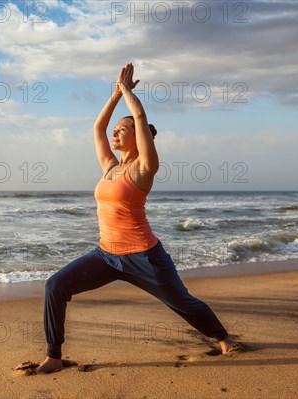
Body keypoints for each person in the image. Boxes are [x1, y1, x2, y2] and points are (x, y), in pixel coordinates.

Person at [35, 63, 236, 374]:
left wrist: (129, 93)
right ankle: (54, 355)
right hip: (106, 255)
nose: (116, 131)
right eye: (117, 128)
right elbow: (97, 129)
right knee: (55, 285)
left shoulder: (143, 169)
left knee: (181, 302)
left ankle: (221, 337)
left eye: (122, 129)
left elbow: (140, 118)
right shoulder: (109, 167)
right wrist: (115, 94)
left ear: (137, 138)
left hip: (144, 257)